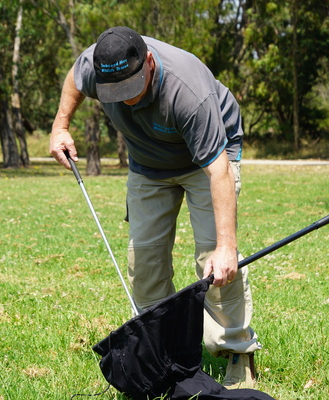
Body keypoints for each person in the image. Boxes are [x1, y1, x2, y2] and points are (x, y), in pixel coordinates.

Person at [49, 26, 260, 388]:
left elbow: (219, 171)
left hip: (208, 162)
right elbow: (75, 77)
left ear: (148, 61)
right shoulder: (96, 64)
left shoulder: (187, 92)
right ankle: (161, 352)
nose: (126, 100)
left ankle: (237, 352)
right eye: (116, 93)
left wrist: (227, 246)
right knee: (144, 262)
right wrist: (60, 125)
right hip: (148, 163)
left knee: (214, 261)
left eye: (131, 88)